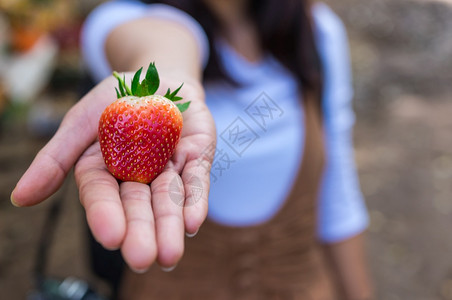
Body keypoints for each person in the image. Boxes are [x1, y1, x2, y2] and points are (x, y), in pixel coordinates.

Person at [12, 0, 374, 299]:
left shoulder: (317, 33)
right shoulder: (122, 16)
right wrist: (168, 73)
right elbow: (161, 37)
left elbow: (336, 195)